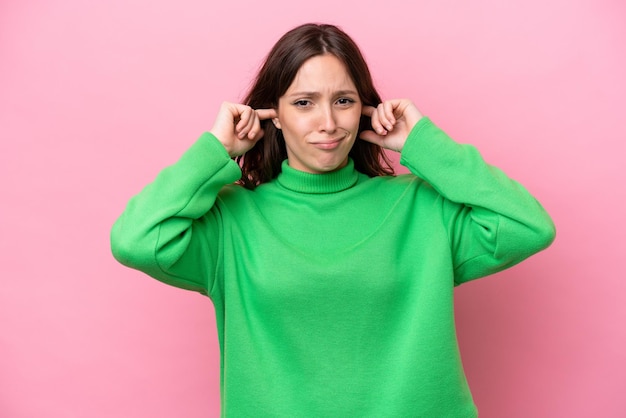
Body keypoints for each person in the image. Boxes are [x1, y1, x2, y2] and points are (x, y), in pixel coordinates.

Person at [111, 23, 555, 417]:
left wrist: (423, 142)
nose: (328, 122)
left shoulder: (422, 207)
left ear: (364, 108)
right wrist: (214, 150)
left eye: (343, 100)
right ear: (275, 116)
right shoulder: (232, 220)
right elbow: (137, 240)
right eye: (304, 102)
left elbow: (529, 227)